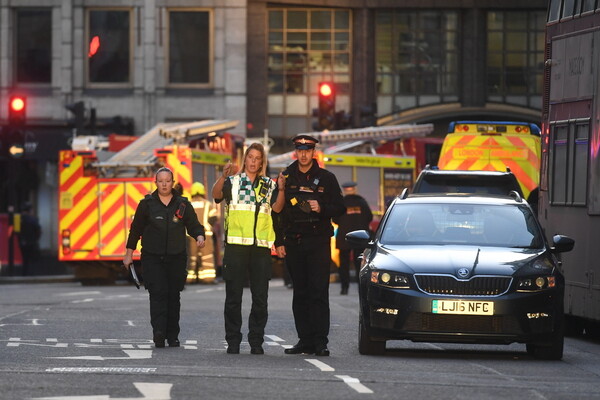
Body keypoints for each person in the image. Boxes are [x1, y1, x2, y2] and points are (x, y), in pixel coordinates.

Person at [275, 134, 345, 357]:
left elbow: (340, 208)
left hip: (317, 242)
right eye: (300, 150)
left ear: (314, 152)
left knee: (318, 293)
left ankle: (320, 342)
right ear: (296, 152)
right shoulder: (286, 176)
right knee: (300, 293)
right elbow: (277, 211)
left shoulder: (327, 178)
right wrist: (279, 241)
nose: (303, 154)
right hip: (294, 241)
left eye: (308, 150)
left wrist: (321, 207)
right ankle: (304, 340)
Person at [212, 143, 285, 355]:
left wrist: (281, 189)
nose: (253, 161)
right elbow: (216, 196)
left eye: (257, 158)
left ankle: (256, 341)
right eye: (250, 157)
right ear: (245, 159)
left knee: (260, 298)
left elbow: (278, 209)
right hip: (236, 247)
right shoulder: (234, 181)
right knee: (233, 297)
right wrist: (223, 176)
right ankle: (233, 341)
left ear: (262, 162)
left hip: (260, 249)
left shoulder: (269, 185)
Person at [123, 167, 205, 348]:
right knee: (158, 294)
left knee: (173, 297)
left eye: (168, 181)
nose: (164, 184)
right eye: (161, 181)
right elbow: (135, 229)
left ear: (172, 182)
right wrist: (129, 254)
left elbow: (194, 225)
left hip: (176, 258)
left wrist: (199, 236)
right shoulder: (147, 204)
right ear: (156, 183)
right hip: (152, 258)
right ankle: (159, 333)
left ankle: (172, 335)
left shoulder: (182, 204)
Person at [333, 182, 372, 295]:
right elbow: (368, 217)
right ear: (354, 190)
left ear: (344, 190)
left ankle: (344, 288)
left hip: (344, 237)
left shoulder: (341, 203)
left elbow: (335, 219)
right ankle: (361, 287)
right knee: (359, 263)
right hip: (360, 238)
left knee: (344, 264)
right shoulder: (362, 202)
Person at [188, 182, 219, 283]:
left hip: (190, 235)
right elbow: (214, 217)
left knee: (191, 257)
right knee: (206, 257)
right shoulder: (207, 204)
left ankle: (189, 278)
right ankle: (207, 278)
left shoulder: (187, 204)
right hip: (205, 235)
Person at [19, 202, 41, 276]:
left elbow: (16, 232)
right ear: (30, 210)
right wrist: (36, 239)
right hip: (32, 242)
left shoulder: (19, 220)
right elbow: (38, 231)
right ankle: (31, 275)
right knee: (33, 260)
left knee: (25, 260)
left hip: (23, 243)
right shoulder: (33, 220)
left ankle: (24, 274)